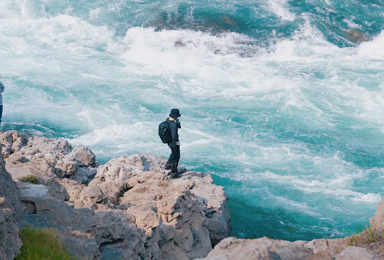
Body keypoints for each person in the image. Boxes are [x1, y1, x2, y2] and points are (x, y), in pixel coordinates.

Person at [164, 109, 182, 177]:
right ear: (176, 116)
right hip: (173, 142)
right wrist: (176, 142)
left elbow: (179, 127)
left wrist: (177, 122)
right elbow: (174, 136)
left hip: (168, 141)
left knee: (174, 152)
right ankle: (173, 172)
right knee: (176, 157)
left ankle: (168, 164)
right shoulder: (173, 125)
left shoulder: (167, 120)